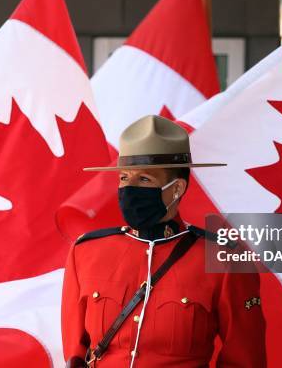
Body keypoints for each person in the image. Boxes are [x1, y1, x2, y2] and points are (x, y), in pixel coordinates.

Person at [61, 115, 266, 367]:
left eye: (144, 179)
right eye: (124, 178)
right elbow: (74, 354)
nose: (129, 189)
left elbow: (246, 360)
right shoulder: (86, 252)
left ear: (177, 188)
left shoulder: (224, 259)